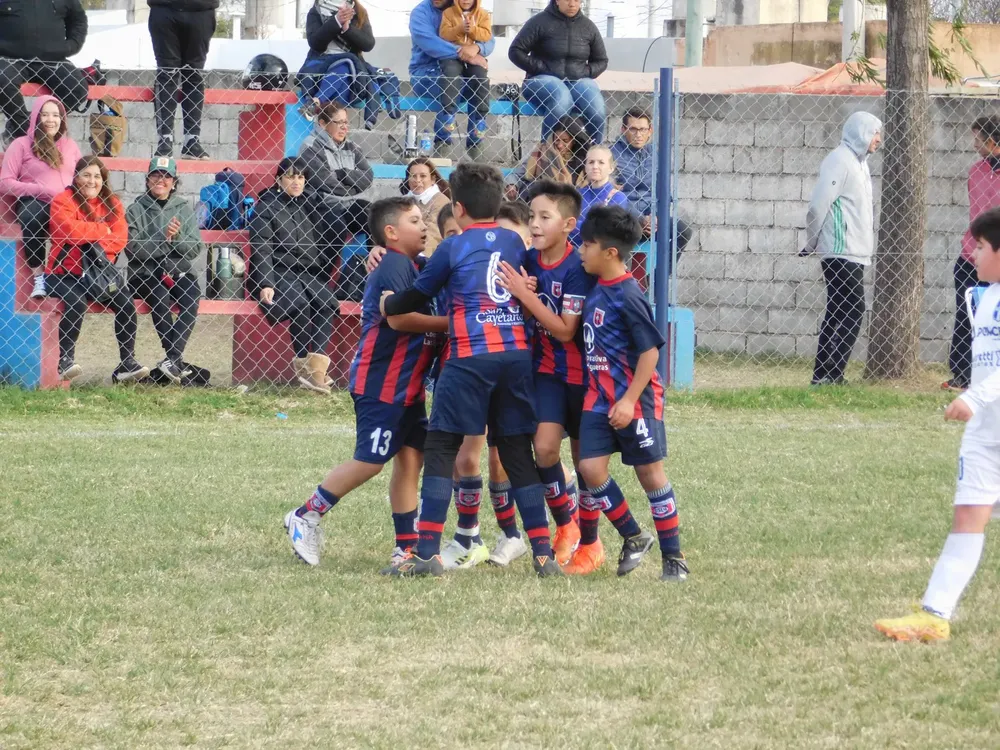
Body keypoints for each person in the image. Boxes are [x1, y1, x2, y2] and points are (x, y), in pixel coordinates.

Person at [381, 163, 561, 578]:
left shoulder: (454, 246)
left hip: (469, 358)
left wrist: (388, 303)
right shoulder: (519, 247)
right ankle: (543, 555)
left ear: (457, 208)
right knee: (517, 451)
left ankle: (425, 555)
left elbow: (419, 293)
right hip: (515, 358)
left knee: (441, 447)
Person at [284, 197, 448, 572]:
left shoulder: (411, 263)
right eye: (413, 221)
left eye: (423, 219)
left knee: (410, 459)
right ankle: (306, 514)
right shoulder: (392, 263)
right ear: (391, 233)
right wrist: (452, 325)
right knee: (371, 461)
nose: (423, 226)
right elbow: (399, 319)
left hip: (407, 386)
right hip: (381, 383)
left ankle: (405, 548)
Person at [875, 207, 1000, 642]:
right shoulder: (984, 300)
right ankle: (934, 614)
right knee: (968, 516)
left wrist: (974, 396)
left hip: (984, 419)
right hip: (985, 437)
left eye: (982, 247)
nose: (974, 254)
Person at [573, 205, 688, 581]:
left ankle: (674, 557)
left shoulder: (627, 293)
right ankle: (633, 536)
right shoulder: (594, 285)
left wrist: (627, 400)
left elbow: (651, 351)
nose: (580, 250)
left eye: (586, 245)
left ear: (609, 253)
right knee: (590, 469)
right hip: (597, 398)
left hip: (634, 400)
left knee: (649, 475)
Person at [496, 180, 595, 566]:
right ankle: (565, 525)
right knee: (545, 449)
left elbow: (566, 329)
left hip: (584, 377)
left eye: (544, 217)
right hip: (548, 373)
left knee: (586, 461)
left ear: (568, 225)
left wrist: (527, 296)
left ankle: (590, 541)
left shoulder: (577, 268)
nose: (534, 225)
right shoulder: (530, 260)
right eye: (532, 216)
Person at [46, 156, 149, 384]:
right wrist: (103, 230)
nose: (92, 181)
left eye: (97, 177)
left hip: (99, 274)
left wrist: (89, 239)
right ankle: (66, 361)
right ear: (76, 177)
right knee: (76, 301)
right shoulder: (63, 200)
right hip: (65, 273)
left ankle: (126, 364)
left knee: (125, 302)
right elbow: (69, 232)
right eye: (86, 175)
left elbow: (120, 239)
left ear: (103, 180)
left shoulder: (112, 203)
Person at [801, 111, 882, 387]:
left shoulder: (860, 163)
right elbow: (818, 204)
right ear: (860, 132)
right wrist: (812, 241)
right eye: (874, 132)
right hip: (839, 249)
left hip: (855, 251)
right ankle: (832, 375)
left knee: (838, 310)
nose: (878, 139)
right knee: (854, 308)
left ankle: (822, 375)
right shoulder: (840, 160)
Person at [248, 157, 340, 394]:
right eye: (290, 176)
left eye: (301, 177)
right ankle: (307, 368)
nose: (296, 182)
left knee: (326, 303)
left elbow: (336, 222)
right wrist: (265, 282)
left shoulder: (311, 204)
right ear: (279, 179)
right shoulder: (266, 207)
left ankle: (316, 370)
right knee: (300, 304)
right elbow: (262, 248)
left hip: (308, 273)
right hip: (278, 272)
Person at [124, 157, 203, 384]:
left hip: (179, 270)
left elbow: (194, 248)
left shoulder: (184, 209)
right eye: (156, 175)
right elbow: (132, 249)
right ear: (147, 179)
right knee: (160, 298)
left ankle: (172, 359)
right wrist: (163, 238)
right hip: (145, 273)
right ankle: (175, 361)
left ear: (174, 181)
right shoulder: (136, 209)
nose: (161, 180)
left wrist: (175, 239)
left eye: (166, 176)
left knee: (191, 298)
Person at [0, 96, 81, 299]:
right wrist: (36, 189)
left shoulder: (70, 145)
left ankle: (72, 275)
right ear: (36, 117)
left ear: (62, 119)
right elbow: (4, 182)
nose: (50, 120)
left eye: (55, 115)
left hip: (67, 202)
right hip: (38, 202)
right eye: (45, 115)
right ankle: (39, 276)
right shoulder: (21, 144)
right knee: (31, 216)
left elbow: (81, 173)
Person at [943, 116, 1000, 392]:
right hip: (970, 256)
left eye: (978, 139)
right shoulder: (975, 170)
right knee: (966, 314)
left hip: (997, 258)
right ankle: (962, 373)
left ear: (992, 141)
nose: (974, 144)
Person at [298, 101, 373, 300]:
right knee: (336, 227)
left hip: (348, 203)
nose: (344, 127)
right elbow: (325, 183)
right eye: (338, 122)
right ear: (322, 124)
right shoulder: (311, 145)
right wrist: (351, 182)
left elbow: (368, 177)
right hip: (321, 205)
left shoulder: (351, 146)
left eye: (346, 122)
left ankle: (377, 275)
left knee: (373, 214)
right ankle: (319, 283)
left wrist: (341, 173)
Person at [508, 0, 608, 145]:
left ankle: (592, 156)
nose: (572, 4)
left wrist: (585, 71)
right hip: (541, 80)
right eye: (567, 0)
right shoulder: (539, 22)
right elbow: (515, 51)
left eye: (576, 0)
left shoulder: (588, 26)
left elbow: (601, 60)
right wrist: (542, 68)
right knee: (562, 97)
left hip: (577, 81)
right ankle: (547, 154)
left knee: (596, 108)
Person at [409, 0, 493, 158]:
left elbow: (489, 38)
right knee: (452, 85)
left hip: (461, 73)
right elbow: (431, 44)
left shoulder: (467, 8)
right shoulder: (420, 13)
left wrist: (477, 48)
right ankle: (443, 143)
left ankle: (476, 143)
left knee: (479, 84)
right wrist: (467, 54)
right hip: (427, 74)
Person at [0, 0, 88, 146]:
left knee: (77, 88)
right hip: (10, 59)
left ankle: (32, 128)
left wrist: (71, 46)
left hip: (53, 60)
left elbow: (78, 19)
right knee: (2, 80)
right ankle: (25, 132)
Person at [148, 0, 218, 160]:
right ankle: (164, 139)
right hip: (164, 9)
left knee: (194, 73)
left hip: (201, 10)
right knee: (167, 72)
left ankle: (192, 141)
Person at [301, 0, 382, 130]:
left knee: (345, 66)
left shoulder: (359, 12)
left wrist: (348, 29)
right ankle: (333, 134)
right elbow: (315, 43)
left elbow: (368, 44)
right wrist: (336, 21)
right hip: (322, 64)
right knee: (343, 67)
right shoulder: (316, 10)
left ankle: (316, 103)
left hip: (350, 69)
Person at [505, 115, 588, 202]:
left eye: (565, 141)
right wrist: (512, 185)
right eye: (557, 139)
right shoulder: (542, 152)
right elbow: (517, 175)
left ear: (574, 140)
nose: (559, 145)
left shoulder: (584, 160)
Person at [569, 145, 629, 247]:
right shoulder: (578, 194)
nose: (595, 166)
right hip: (574, 251)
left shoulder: (618, 197)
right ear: (586, 166)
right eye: (591, 162)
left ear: (611, 168)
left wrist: (573, 225)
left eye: (601, 162)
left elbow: (605, 232)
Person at [401, 157, 451, 255]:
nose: (417, 180)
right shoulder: (403, 201)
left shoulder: (441, 201)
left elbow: (433, 235)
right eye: (413, 176)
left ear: (432, 179)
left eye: (423, 176)